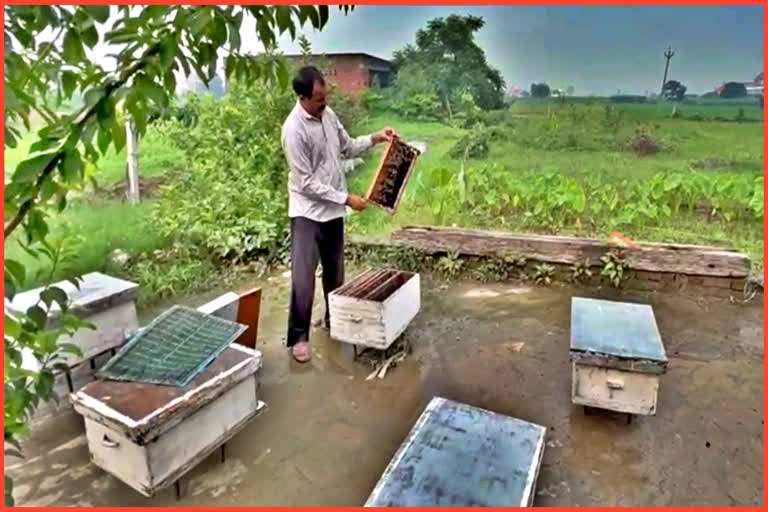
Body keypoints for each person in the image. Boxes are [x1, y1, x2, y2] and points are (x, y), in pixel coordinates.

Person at [281, 65, 397, 363]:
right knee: (303, 278)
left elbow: (347, 147)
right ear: (303, 97)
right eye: (319, 99)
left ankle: (335, 319)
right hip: (307, 212)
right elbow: (306, 182)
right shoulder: (293, 130)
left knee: (335, 274)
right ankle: (299, 339)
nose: (325, 103)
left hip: (332, 210)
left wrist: (376, 137)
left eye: (326, 96)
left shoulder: (328, 116)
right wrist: (346, 198)